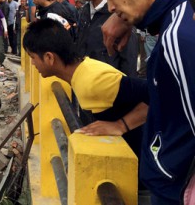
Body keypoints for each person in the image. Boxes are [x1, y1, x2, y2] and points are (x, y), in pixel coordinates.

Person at [89, 0, 195, 204]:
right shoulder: (178, 13)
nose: (110, 8)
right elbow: (167, 95)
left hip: (179, 189)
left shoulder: (178, 37)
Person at [22, 18, 148, 157]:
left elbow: (158, 93)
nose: (33, 63)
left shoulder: (94, 80)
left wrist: (120, 125)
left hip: (147, 156)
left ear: (49, 58)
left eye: (32, 57)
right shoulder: (80, 72)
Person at [76, 0, 139, 77]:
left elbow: (128, 56)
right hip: (85, 78)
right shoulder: (83, 12)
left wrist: (127, 87)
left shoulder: (118, 14)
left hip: (109, 80)